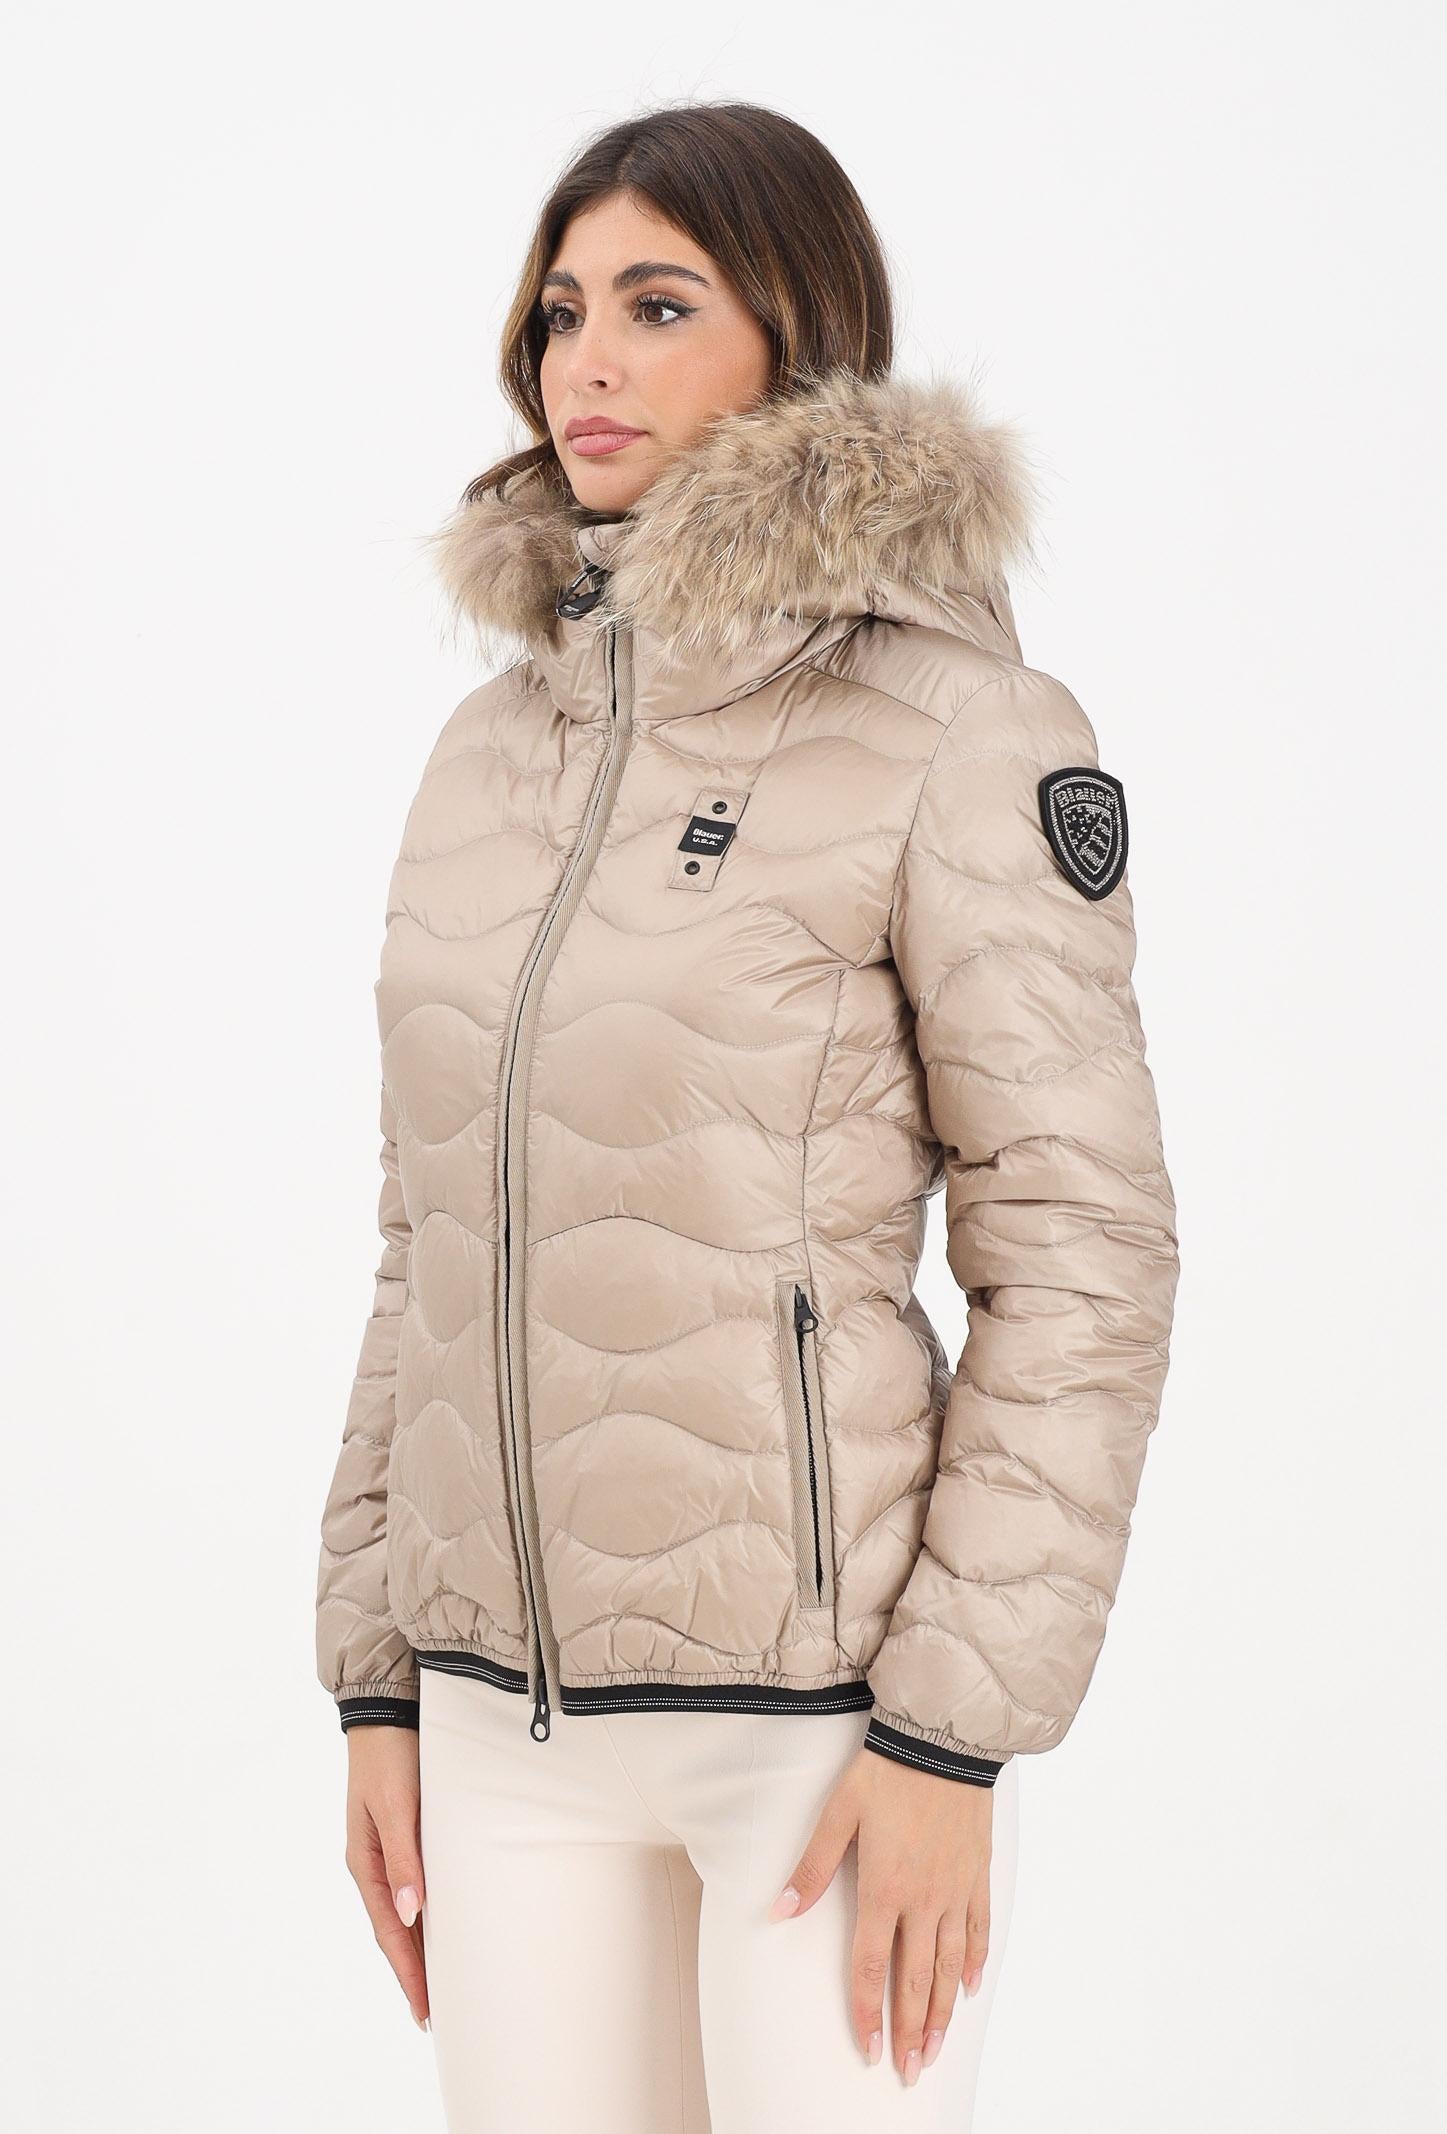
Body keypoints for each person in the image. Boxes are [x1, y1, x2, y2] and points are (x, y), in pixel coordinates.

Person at [314, 99, 1179, 2134]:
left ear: (796, 335)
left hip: (815, 1735)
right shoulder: (488, 749)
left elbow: (1082, 1254)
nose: (584, 361)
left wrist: (952, 1734)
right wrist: (373, 1669)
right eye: (560, 311)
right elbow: (431, 1237)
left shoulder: (955, 727)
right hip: (497, 1724)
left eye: (655, 304)